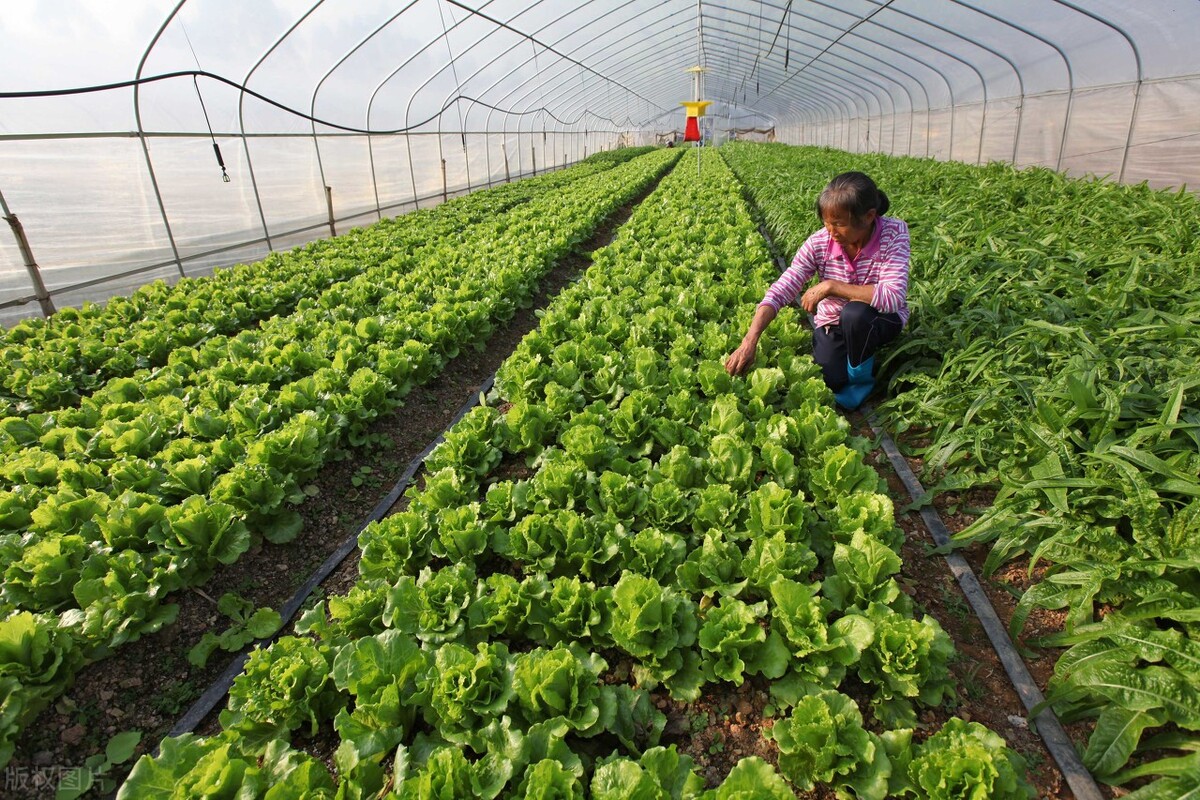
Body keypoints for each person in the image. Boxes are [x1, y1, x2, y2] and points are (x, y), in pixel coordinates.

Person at [724, 171, 910, 410]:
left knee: (855, 314)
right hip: (834, 321)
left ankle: (860, 382)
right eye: (826, 223)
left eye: (839, 224)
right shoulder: (820, 242)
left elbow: (893, 297)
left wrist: (832, 286)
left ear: (869, 216)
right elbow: (783, 287)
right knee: (830, 379)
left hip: (880, 318)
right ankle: (850, 363)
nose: (831, 232)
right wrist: (750, 340)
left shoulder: (893, 233)